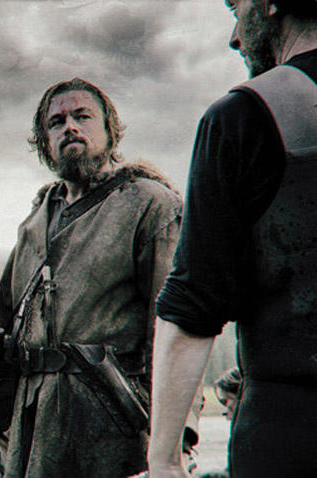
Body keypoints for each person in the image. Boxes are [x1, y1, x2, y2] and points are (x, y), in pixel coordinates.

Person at [0, 77, 193, 477]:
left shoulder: (150, 205)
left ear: (110, 130)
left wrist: (175, 440)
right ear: (45, 143)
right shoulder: (37, 219)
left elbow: (173, 327)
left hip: (112, 425)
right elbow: (1, 326)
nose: (70, 127)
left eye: (82, 116)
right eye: (56, 122)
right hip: (34, 426)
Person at [148, 1, 317, 477]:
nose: (234, 36)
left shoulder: (245, 116)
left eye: (236, 7)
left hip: (290, 436)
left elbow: (194, 304)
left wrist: (164, 460)